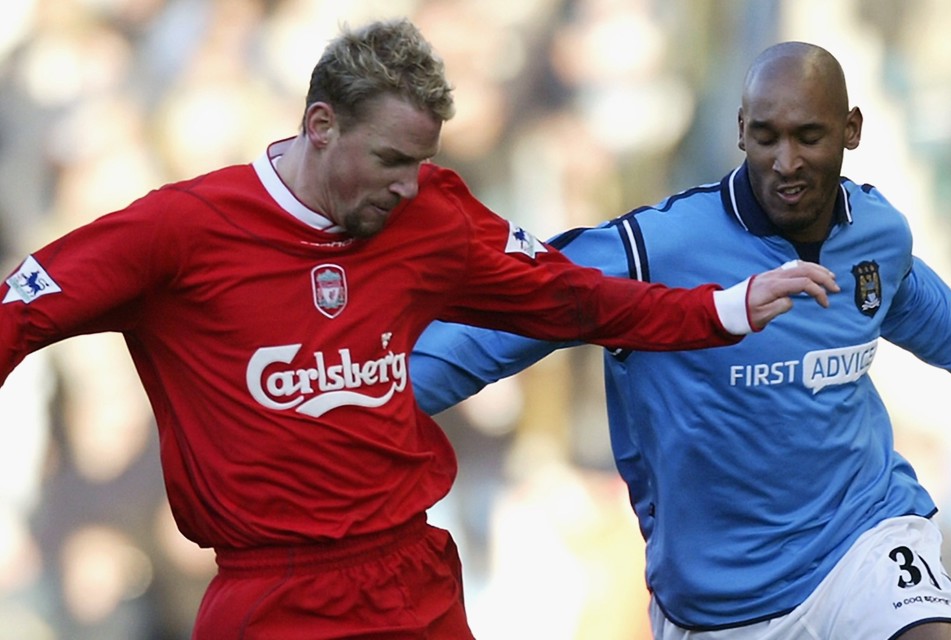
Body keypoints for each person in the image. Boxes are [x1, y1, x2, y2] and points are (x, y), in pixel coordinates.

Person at [0, 20, 841, 640]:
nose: (410, 185)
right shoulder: (181, 232)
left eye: (424, 160)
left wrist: (719, 309)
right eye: (392, 160)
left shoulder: (431, 214)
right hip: (272, 598)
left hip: (412, 580)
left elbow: (569, 296)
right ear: (320, 125)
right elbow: (19, 312)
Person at [411, 41, 951, 640]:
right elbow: (522, 310)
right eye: (767, 136)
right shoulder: (658, 246)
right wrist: (382, 393)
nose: (786, 161)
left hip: (862, 535)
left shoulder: (876, 232)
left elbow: (914, 301)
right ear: (741, 130)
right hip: (720, 596)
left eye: (808, 136)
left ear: (852, 129)